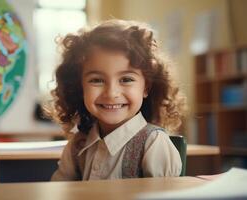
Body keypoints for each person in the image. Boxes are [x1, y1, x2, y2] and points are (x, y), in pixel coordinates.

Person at [45, 19, 187, 181]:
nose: (111, 93)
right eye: (96, 80)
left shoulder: (153, 144)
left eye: (126, 79)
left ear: (146, 87)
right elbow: (59, 192)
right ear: (80, 86)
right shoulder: (78, 145)